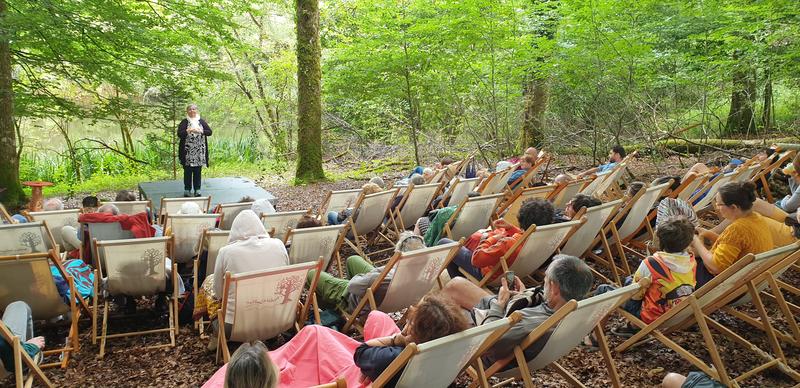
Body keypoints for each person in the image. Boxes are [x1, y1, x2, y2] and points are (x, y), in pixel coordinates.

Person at [201, 294, 468, 388]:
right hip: (380, 371)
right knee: (373, 317)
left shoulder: (394, 356)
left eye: (412, 317)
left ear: (418, 332)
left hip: (355, 376)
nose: (407, 318)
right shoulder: (444, 351)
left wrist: (397, 338)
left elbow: (361, 355)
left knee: (314, 334)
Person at [441, 255, 593, 363]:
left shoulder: (526, 322)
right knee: (456, 285)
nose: (543, 282)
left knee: (439, 309)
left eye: (545, 280)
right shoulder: (575, 310)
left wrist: (499, 304)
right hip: (509, 320)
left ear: (554, 288)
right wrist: (522, 297)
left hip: (490, 335)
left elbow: (487, 344)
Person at [597, 217, 697, 337]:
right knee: (631, 279)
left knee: (603, 290)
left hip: (649, 316)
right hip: (676, 312)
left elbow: (634, 296)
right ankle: (632, 326)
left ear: (660, 240)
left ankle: (595, 337)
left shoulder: (652, 263)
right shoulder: (691, 260)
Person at [201, 210, 289, 344]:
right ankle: (269, 336)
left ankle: (217, 338)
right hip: (279, 320)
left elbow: (219, 294)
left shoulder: (226, 252)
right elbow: (286, 277)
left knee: (209, 283)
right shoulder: (279, 245)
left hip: (234, 329)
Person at [307, 232, 425, 313]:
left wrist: (363, 277)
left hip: (359, 300)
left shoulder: (378, 278)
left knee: (312, 273)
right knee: (353, 260)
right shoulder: (423, 276)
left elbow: (352, 286)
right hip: (387, 294)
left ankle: (335, 310)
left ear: (398, 255)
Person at [442, 198, 554, 280]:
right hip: (515, 274)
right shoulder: (543, 239)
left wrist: (489, 239)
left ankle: (460, 283)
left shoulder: (508, 243)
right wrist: (511, 228)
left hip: (489, 275)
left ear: (521, 218)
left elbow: (476, 260)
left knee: (445, 243)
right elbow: (525, 236)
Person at [690, 181, 773, 288]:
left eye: (719, 204)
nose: (717, 207)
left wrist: (697, 242)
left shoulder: (737, 229)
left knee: (681, 264)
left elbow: (716, 267)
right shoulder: (756, 218)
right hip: (752, 279)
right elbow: (735, 245)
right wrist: (710, 235)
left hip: (729, 285)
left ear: (734, 207)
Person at [0, 302, 45, 378]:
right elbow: (12, 360)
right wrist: (30, 347)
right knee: (18, 306)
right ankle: (25, 364)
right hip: (10, 363)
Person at [178, 104, 213, 197]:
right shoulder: (184, 122)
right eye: (190, 109)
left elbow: (209, 132)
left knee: (197, 171)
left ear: (196, 110)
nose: (192, 111)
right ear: (187, 111)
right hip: (187, 152)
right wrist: (188, 131)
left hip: (199, 152)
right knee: (188, 172)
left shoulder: (201, 121)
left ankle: (197, 189)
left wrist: (201, 131)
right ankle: (187, 189)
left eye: (193, 109)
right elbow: (179, 134)